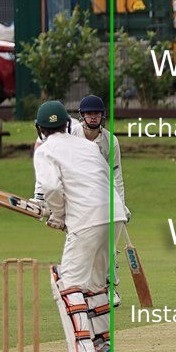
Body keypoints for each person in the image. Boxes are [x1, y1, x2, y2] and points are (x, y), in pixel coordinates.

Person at [32, 100, 128, 352]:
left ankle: (80, 349)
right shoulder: (87, 146)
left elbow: (51, 187)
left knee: (66, 282)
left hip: (86, 219)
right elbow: (103, 177)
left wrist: (59, 215)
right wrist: (63, 215)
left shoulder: (44, 150)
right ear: (67, 123)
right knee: (96, 284)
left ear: (40, 128)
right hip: (115, 213)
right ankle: (102, 346)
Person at [72, 95, 129, 306]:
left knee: (107, 246)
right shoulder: (72, 135)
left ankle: (110, 289)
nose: (93, 117)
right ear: (82, 116)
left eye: (96, 113)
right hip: (77, 195)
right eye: (89, 113)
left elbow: (117, 176)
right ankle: (81, 290)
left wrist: (120, 206)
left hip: (102, 196)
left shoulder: (110, 141)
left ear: (102, 116)